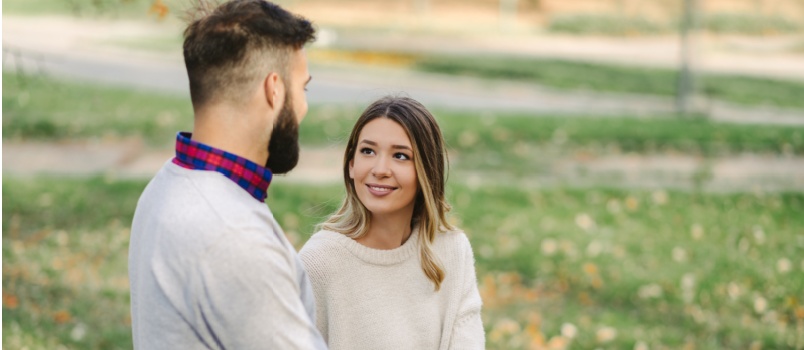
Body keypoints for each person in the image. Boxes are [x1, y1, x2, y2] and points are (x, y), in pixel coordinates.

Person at [128, 1, 327, 348]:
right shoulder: (235, 237)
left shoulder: (168, 184)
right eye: (303, 88)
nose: (304, 106)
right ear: (274, 89)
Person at [299, 96, 485, 349]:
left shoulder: (452, 250)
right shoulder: (320, 262)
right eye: (368, 151)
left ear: (427, 171)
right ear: (351, 164)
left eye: (400, 156)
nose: (380, 169)